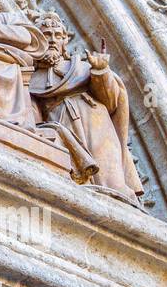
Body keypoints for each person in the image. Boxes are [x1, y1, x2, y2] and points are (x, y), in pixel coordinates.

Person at [31, 13, 143, 203]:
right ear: (38, 40)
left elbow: (111, 100)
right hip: (61, 124)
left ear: (65, 40)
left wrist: (101, 71)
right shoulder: (31, 78)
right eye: (46, 34)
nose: (52, 40)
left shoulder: (81, 67)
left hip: (95, 121)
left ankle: (122, 202)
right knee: (76, 175)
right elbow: (32, 115)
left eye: (57, 35)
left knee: (110, 175)